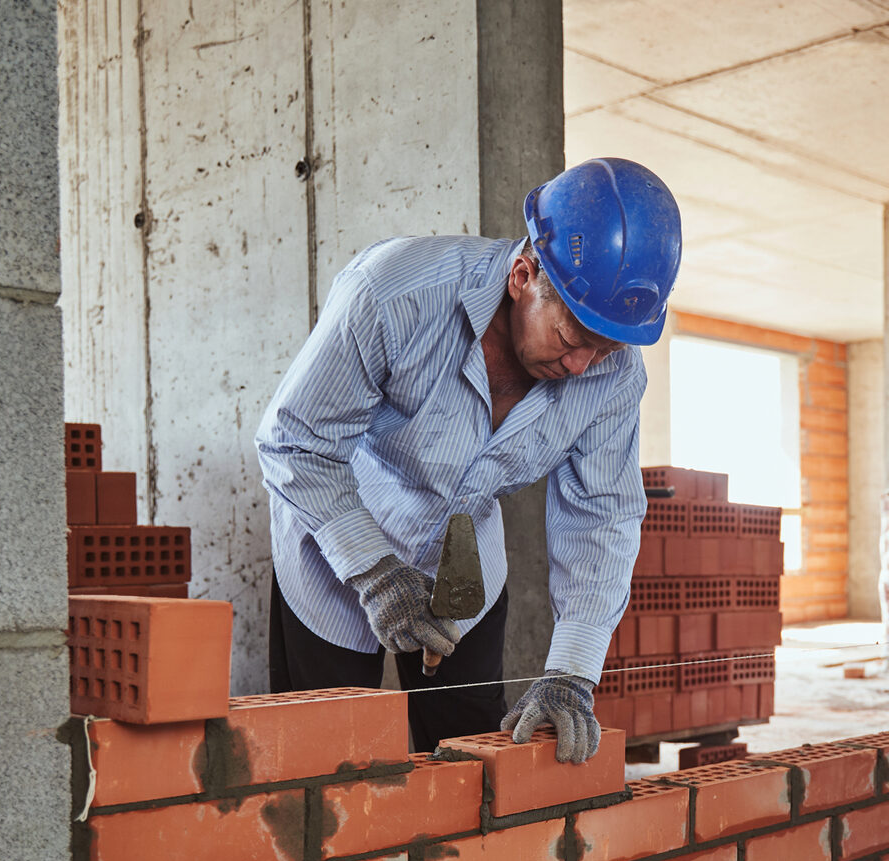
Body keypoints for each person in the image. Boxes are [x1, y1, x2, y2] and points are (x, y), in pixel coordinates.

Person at [255, 158, 681, 764]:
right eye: (570, 337)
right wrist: (374, 571)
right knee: (322, 758)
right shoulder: (395, 292)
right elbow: (295, 441)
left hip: (461, 550)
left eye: (605, 347)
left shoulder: (611, 377)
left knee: (470, 757)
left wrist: (572, 673)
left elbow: (602, 518)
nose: (583, 365)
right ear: (523, 275)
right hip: (339, 534)